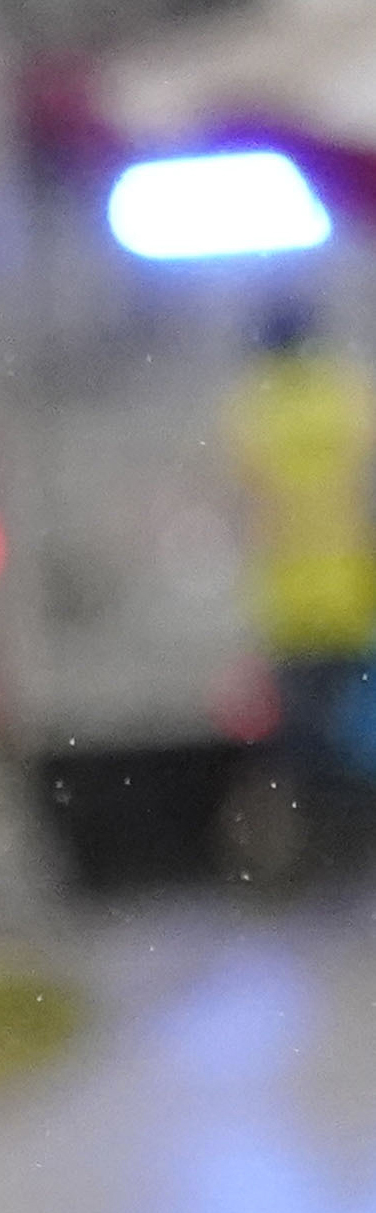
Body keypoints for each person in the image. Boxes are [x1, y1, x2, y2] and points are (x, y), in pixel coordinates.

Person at [224, 297, 376, 863]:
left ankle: (316, 845)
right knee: (356, 732)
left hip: (288, 602)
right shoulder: (348, 394)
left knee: (302, 736)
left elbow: (246, 499)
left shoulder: (254, 406)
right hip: (353, 594)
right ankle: (359, 839)